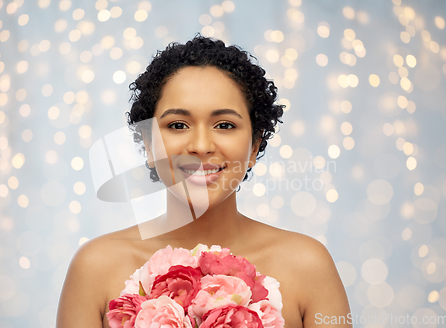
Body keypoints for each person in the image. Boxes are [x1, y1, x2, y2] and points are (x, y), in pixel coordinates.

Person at [56, 35, 352, 328]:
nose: (200, 145)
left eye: (224, 125)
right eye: (177, 125)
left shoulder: (308, 267)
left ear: (253, 146)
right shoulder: (95, 268)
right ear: (148, 145)